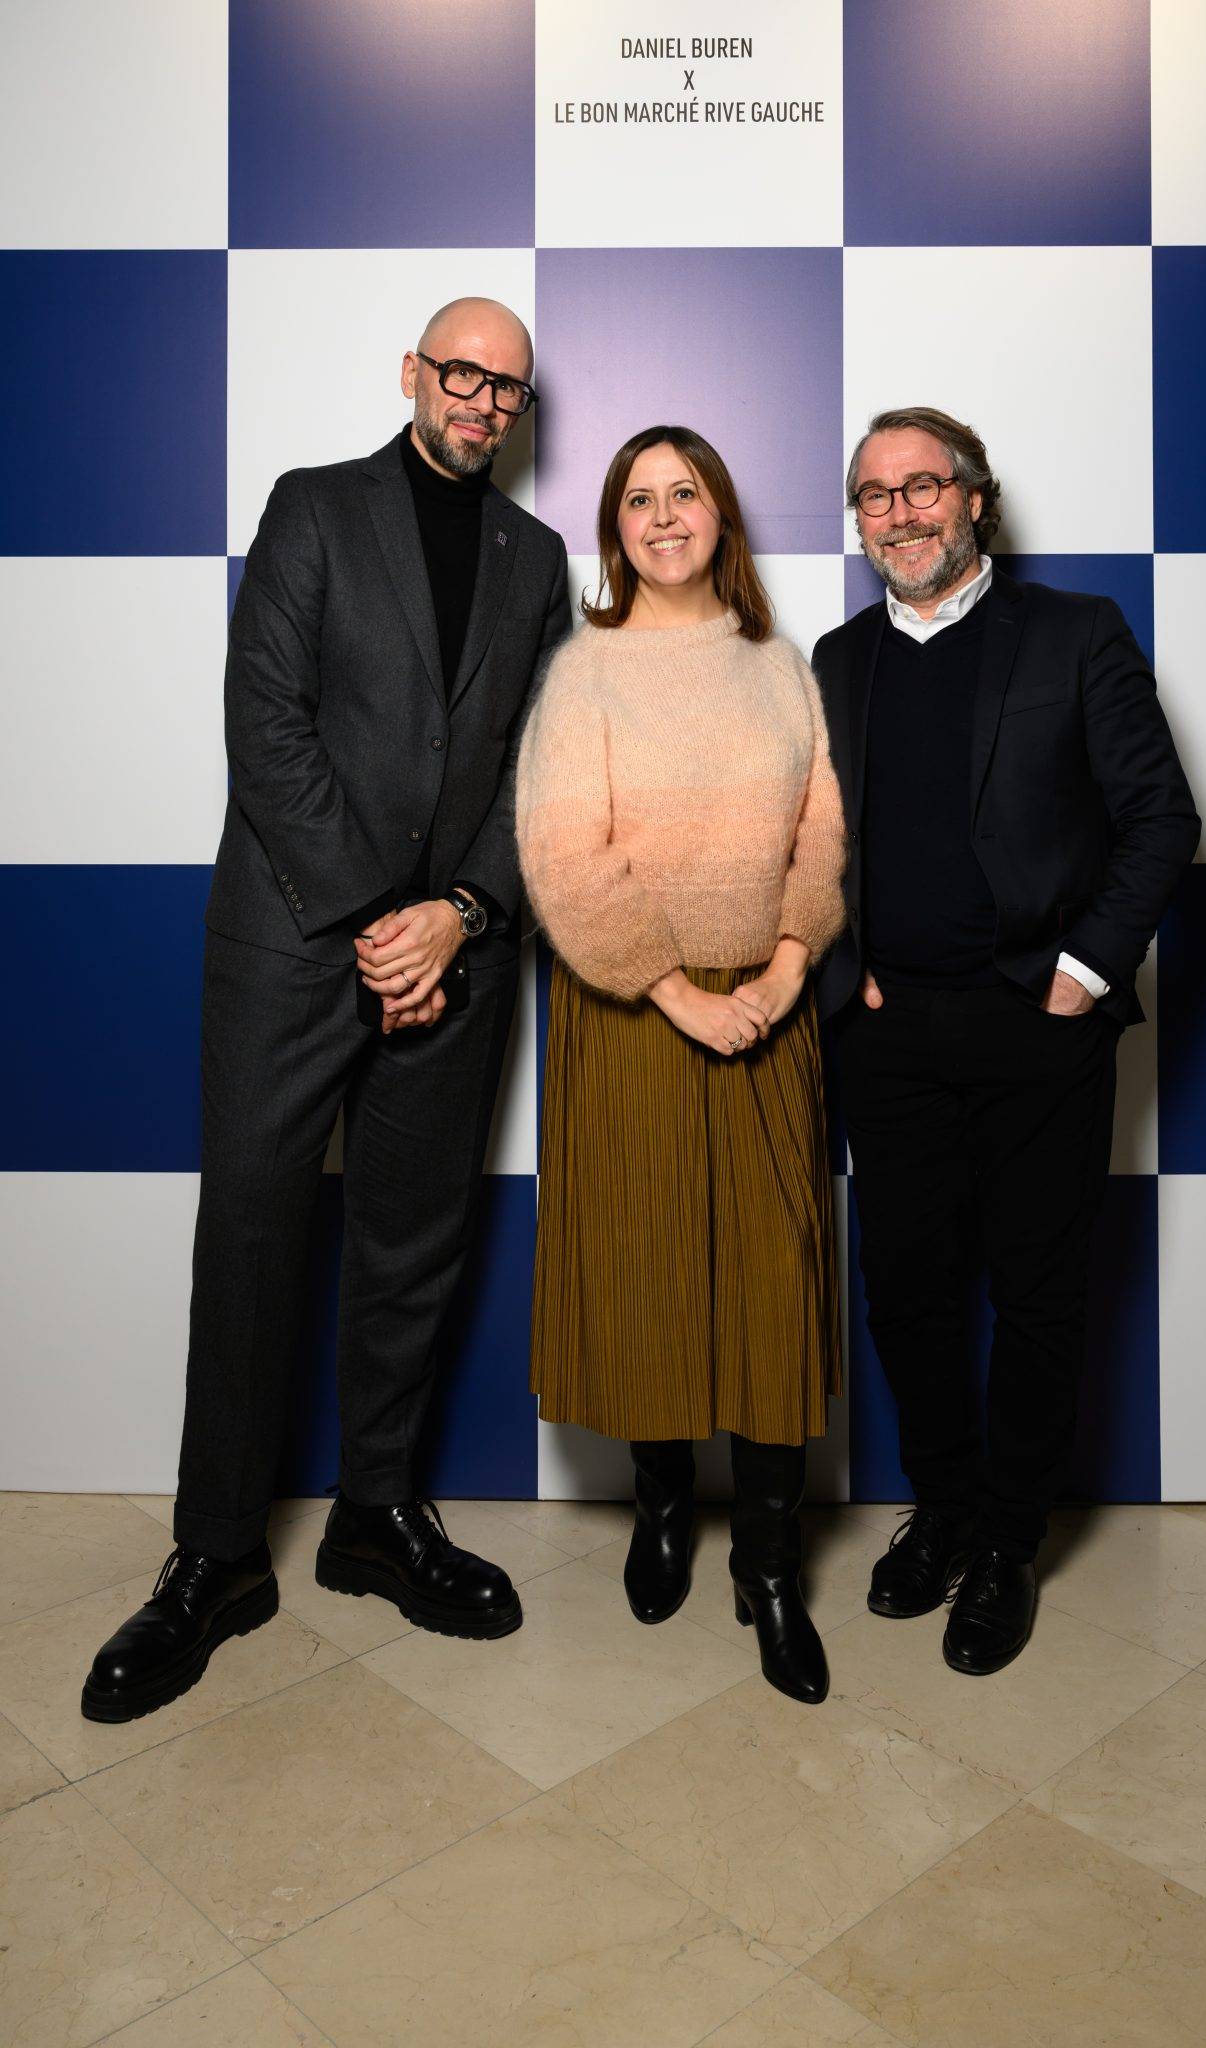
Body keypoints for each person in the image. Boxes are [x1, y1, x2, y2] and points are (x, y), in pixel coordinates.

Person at [81, 298, 571, 1723]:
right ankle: (217, 1555)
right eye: (462, 373)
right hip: (295, 945)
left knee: (413, 1242)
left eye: (508, 388)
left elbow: (540, 762)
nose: (482, 402)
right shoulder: (313, 506)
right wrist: (377, 918)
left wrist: (459, 913)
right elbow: (266, 723)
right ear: (414, 374)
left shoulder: (537, 557)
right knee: (250, 1234)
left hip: (453, 957)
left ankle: (376, 1517)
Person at [814, 407, 1199, 1676]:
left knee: (1038, 1294)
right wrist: (845, 969)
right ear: (860, 520)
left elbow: (1161, 818)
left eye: (925, 486)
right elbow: (816, 843)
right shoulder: (837, 659)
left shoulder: (1077, 633)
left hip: (1039, 1027)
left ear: (976, 498)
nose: (902, 512)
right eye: (877, 495)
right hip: (888, 1036)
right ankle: (947, 1506)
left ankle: (1010, 1542)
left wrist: (1082, 977)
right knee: (907, 1290)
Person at [516, 425, 846, 1705]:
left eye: (685, 492)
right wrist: (671, 991)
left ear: (721, 514)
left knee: (773, 1283)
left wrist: (786, 966)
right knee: (647, 1264)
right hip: (630, 1009)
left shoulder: (780, 667)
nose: (663, 516)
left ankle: (768, 1563)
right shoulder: (585, 673)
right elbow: (562, 852)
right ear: (616, 529)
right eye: (639, 500)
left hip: (767, 1001)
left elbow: (822, 831)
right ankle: (662, 1508)